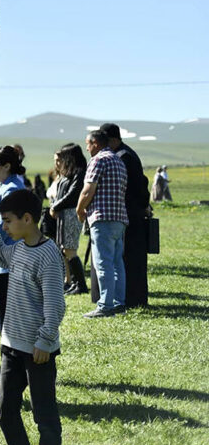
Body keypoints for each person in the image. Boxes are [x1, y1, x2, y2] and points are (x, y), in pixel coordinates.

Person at [0, 190, 65, 445]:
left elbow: (55, 305)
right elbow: (0, 256)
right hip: (11, 346)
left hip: (37, 350)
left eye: (7, 221)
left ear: (27, 219)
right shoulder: (17, 249)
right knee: (5, 412)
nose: (5, 227)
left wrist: (45, 339)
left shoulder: (48, 255)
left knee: (44, 417)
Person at [76, 129, 128, 318]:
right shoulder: (118, 160)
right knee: (116, 262)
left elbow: (88, 190)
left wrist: (80, 209)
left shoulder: (98, 160)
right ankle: (118, 302)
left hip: (102, 217)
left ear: (95, 143)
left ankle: (105, 305)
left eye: (88, 144)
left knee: (102, 263)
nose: (87, 148)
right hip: (119, 217)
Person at [101, 123, 152, 308]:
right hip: (134, 212)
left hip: (129, 213)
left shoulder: (122, 157)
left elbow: (136, 186)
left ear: (113, 140)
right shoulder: (125, 153)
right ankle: (133, 298)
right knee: (130, 258)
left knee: (128, 259)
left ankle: (132, 299)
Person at [0, 146, 28, 332]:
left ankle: (10, 354)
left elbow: (3, 228)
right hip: (3, 260)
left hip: (7, 261)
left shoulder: (11, 190)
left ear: (6, 166)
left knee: (8, 317)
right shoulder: (3, 187)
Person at [48, 144, 88, 295]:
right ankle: (74, 283)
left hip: (71, 214)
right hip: (65, 214)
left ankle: (81, 285)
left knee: (70, 249)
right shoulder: (71, 173)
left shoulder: (79, 172)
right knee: (65, 249)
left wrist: (55, 207)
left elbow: (73, 194)